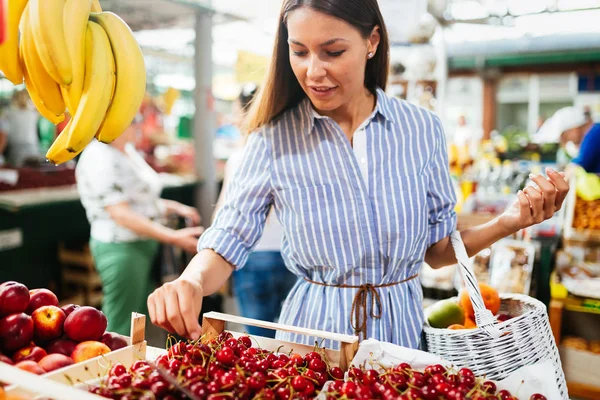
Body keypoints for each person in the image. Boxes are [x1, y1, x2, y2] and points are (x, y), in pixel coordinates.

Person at [148, 0, 569, 348]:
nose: (314, 70)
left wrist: (510, 221)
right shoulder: (273, 139)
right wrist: (190, 281)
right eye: (299, 52)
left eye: (332, 52)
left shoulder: (421, 130)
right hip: (312, 343)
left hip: (401, 336)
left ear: (371, 41)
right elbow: (228, 240)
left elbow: (438, 249)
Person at [76, 120, 204, 336]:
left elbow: (142, 202)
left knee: (142, 319)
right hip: (121, 248)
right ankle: (111, 367)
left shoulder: (127, 151)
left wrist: (176, 208)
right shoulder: (99, 156)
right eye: (131, 120)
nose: (137, 125)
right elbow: (121, 213)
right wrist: (173, 237)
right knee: (121, 322)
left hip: (143, 245)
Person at [215, 83, 297, 338]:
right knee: (293, 338)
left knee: (258, 339)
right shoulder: (295, 151)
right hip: (291, 255)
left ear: (244, 112)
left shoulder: (243, 155)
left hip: (251, 256)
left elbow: (223, 212)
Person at [536, 106, 600, 173]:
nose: (567, 142)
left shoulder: (594, 134)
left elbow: (576, 166)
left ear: (574, 128)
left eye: (565, 137)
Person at [0, 90, 41, 167]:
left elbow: (3, 135)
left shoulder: (7, 113)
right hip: (31, 148)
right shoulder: (33, 113)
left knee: (21, 175)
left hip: (17, 150)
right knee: (33, 174)